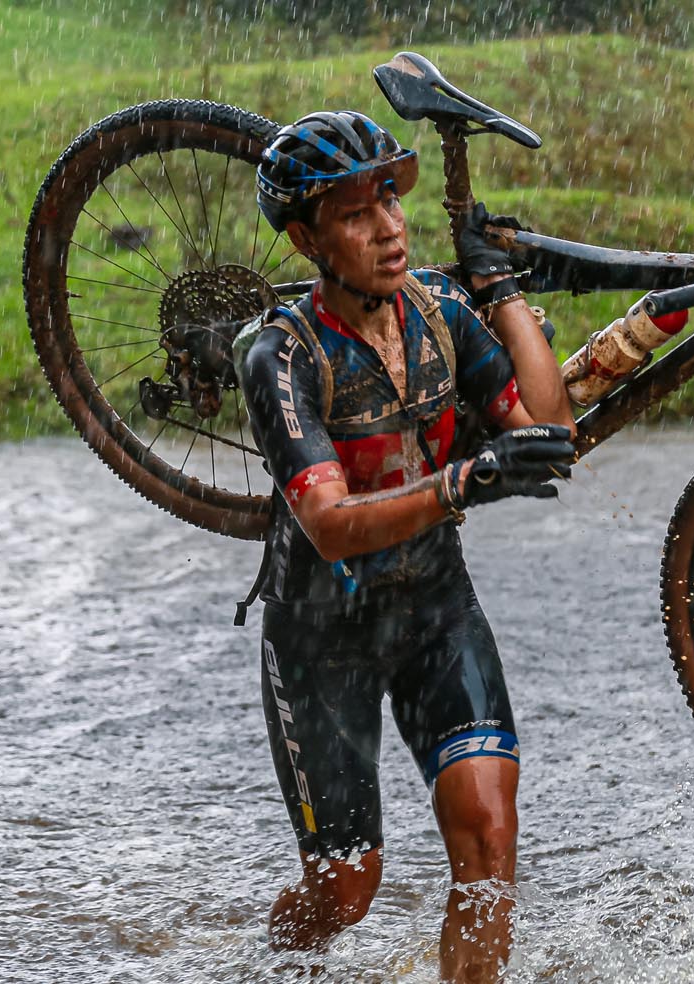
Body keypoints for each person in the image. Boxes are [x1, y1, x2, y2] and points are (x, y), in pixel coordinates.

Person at [239, 109, 575, 984]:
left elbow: (550, 427)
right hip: (321, 635)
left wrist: (499, 288)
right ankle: (261, 969)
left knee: (488, 841)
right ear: (311, 239)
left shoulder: (442, 310)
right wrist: (462, 482)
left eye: (389, 199)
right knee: (348, 888)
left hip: (434, 607)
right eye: (355, 215)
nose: (388, 228)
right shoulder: (279, 354)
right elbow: (331, 524)